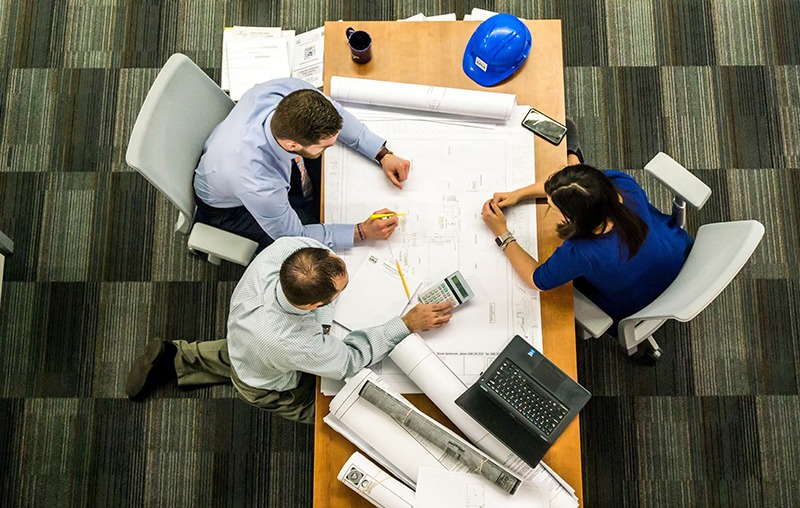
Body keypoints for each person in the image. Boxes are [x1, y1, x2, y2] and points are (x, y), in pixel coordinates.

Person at [125, 236, 454, 424]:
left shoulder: (286, 250)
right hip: (265, 381)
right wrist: (406, 323)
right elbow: (349, 360)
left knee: (241, 352)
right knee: (332, 411)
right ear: (313, 305)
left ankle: (175, 357)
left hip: (246, 336)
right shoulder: (294, 342)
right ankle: (336, 420)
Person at [480, 124, 693, 329]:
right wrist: (518, 194)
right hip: (678, 255)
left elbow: (536, 280)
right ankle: (574, 156)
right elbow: (569, 187)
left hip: (640, 302)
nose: (550, 207)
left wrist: (502, 232)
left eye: (554, 207)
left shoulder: (580, 253)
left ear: (576, 219)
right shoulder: (621, 184)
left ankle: (573, 155)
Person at [194, 77, 412, 252]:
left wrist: (381, 153)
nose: (333, 146)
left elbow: (339, 115)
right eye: (325, 146)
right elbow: (294, 236)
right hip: (230, 209)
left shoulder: (290, 91)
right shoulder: (258, 183)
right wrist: (361, 232)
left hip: (231, 157)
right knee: (310, 254)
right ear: (292, 145)